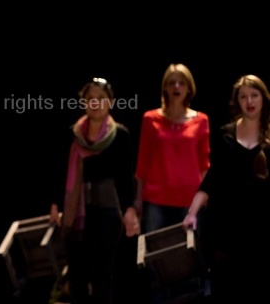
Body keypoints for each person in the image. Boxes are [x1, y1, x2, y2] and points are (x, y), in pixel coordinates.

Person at [49, 77, 140, 304]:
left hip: (107, 211)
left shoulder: (120, 135)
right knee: (77, 275)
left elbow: (125, 178)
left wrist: (129, 208)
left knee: (102, 275)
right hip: (76, 212)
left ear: (110, 101)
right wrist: (55, 205)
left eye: (101, 98)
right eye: (91, 99)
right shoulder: (73, 134)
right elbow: (59, 172)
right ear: (84, 102)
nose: (96, 103)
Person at [182, 74, 270, 304]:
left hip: (260, 225)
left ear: (263, 98)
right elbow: (212, 178)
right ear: (237, 101)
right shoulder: (225, 133)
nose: (249, 101)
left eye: (254, 95)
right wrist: (192, 212)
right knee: (224, 286)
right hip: (224, 223)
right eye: (243, 96)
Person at [135, 63, 210, 233]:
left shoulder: (201, 120)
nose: (176, 87)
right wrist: (138, 199)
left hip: (189, 199)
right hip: (156, 199)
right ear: (165, 88)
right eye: (172, 82)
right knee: (155, 254)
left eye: (182, 83)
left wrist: (205, 197)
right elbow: (142, 163)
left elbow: (204, 163)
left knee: (188, 255)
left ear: (189, 88)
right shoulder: (150, 119)